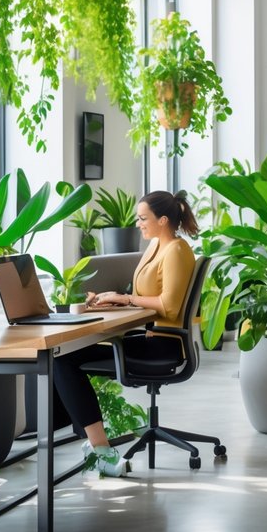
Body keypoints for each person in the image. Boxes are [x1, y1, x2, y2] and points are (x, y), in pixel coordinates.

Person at [56, 190, 198, 477]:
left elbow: (168, 306)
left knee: (62, 360)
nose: (138, 224)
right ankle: (95, 444)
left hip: (163, 346)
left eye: (143, 218)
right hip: (148, 337)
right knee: (64, 355)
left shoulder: (177, 251)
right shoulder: (156, 245)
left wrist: (126, 300)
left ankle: (100, 449)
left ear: (163, 220)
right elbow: (141, 294)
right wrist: (112, 298)